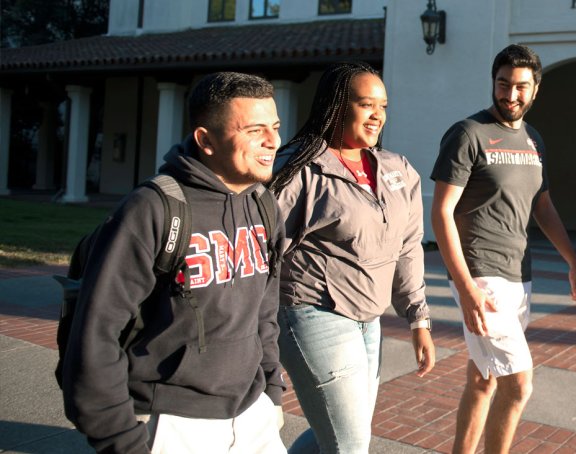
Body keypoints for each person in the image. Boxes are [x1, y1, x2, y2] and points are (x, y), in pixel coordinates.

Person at [61, 72, 286, 453]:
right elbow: (95, 336)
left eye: (276, 126)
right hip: (174, 423)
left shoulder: (264, 206)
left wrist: (272, 394)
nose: (273, 141)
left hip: (253, 416)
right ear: (206, 140)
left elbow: (264, 312)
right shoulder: (151, 210)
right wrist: (121, 441)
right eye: (254, 130)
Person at [267, 61, 435, 454]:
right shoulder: (299, 169)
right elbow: (264, 251)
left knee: (341, 434)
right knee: (351, 445)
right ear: (337, 106)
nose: (377, 115)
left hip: (368, 320)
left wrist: (418, 318)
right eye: (365, 104)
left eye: (384, 106)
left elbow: (408, 246)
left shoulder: (397, 169)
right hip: (312, 312)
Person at [431, 44, 576, 454]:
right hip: (481, 273)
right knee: (519, 384)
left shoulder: (533, 139)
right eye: (503, 85)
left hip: (520, 273)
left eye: (520, 87)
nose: (510, 95)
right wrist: (466, 287)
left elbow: (542, 204)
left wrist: (572, 259)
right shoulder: (468, 133)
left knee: (484, 379)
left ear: (535, 89)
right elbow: (442, 213)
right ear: (493, 83)